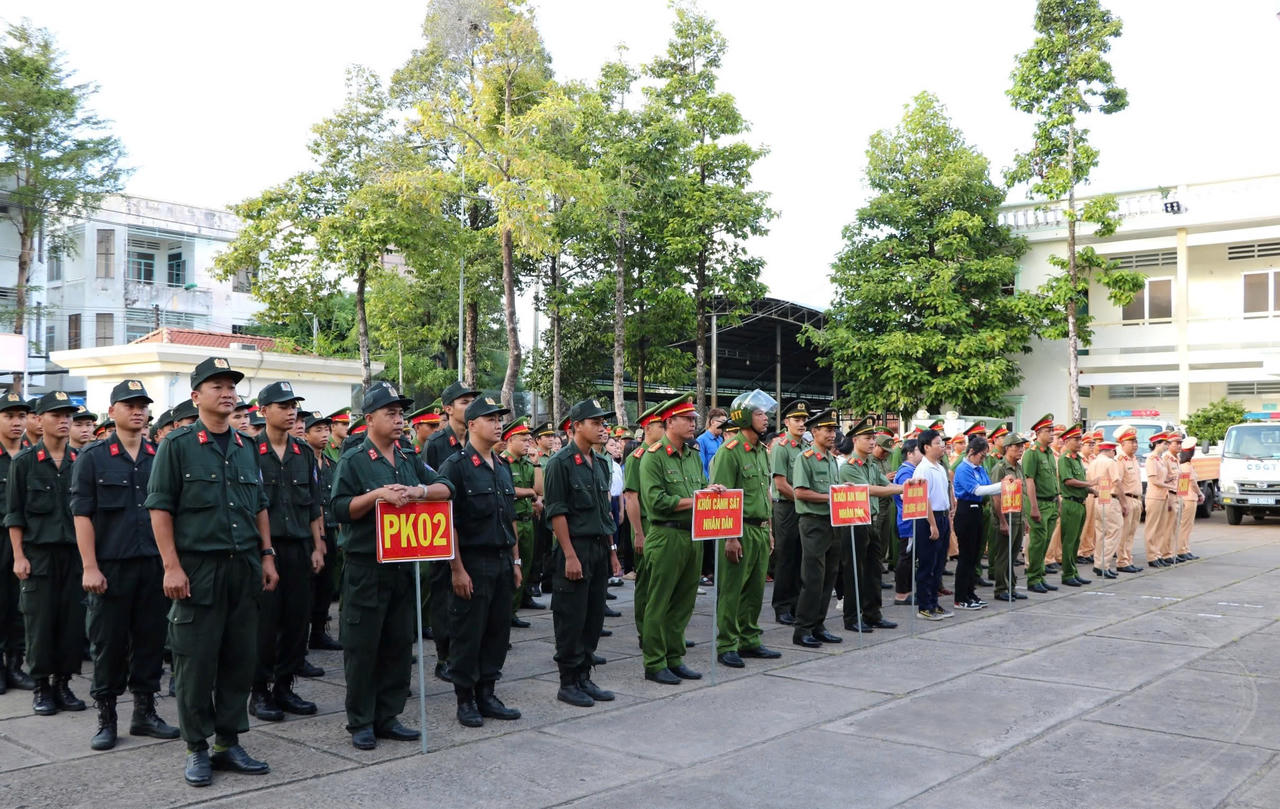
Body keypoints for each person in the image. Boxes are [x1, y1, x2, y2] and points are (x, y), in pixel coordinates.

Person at [144, 357, 278, 787]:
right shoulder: (177, 445)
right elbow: (160, 508)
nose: (227, 392)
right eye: (216, 385)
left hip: (244, 567)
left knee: (240, 659)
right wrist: (171, 567)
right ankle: (197, 747)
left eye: (231, 386)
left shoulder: (244, 445)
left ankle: (228, 741)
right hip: (197, 570)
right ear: (195, 396)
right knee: (195, 663)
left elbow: (258, 504)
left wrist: (268, 555)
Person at [331, 382, 453, 750]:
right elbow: (339, 508)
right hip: (366, 567)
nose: (399, 420)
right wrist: (376, 496)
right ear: (369, 418)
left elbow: (445, 486)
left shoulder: (408, 458)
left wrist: (419, 492)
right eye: (391, 413)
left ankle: (389, 714)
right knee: (363, 646)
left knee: (399, 644)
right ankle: (361, 721)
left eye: (401, 413)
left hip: (404, 567)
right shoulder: (354, 459)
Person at [72, 379, 179, 750]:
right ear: (113, 411)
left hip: (152, 564)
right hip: (110, 568)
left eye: (143, 405)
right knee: (108, 644)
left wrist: (171, 564)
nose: (138, 411)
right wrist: (89, 566)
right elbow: (82, 515)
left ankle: (145, 713)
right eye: (129, 405)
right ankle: (106, 717)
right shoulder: (92, 457)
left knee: (151, 640)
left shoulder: (159, 455)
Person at [439, 395, 523, 727]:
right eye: (490, 418)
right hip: (472, 562)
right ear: (472, 424)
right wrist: (456, 568)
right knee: (468, 632)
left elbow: (509, 517)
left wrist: (516, 562)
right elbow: (449, 522)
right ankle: (465, 700)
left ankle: (487, 693)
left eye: (499, 418)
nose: (498, 423)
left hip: (502, 559)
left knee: (497, 631)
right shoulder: (456, 466)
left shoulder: (502, 466)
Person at [248, 381, 325, 722]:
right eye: (283, 405)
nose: (291, 411)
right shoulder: (247, 450)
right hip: (264, 548)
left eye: (293, 404)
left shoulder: (303, 452)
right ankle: (260, 691)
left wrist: (318, 544)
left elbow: (313, 504)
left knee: (297, 621)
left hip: (298, 546)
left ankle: (285, 686)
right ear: (263, 411)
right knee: (265, 624)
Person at [6, 390, 86, 715]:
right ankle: (41, 685)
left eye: (68, 415)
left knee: (70, 621)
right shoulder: (25, 462)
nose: (64, 420)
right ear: (38, 420)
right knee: (39, 622)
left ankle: (63, 683)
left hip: (74, 556)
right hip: (38, 555)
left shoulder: (80, 461)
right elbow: (14, 514)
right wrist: (19, 556)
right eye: (56, 414)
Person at [542, 398, 620, 706]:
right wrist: (570, 555)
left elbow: (606, 513)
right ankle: (568, 682)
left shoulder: (601, 463)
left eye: (603, 423)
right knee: (571, 617)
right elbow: (557, 512)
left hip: (600, 547)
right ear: (577, 426)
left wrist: (613, 552)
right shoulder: (559, 463)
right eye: (596, 423)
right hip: (575, 548)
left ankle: (585, 677)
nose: (603, 428)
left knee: (593, 616)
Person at [637, 393, 713, 683]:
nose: (693, 423)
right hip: (665, 535)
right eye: (688, 419)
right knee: (659, 602)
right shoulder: (652, 457)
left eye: (694, 418)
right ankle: (655, 662)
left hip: (691, 537)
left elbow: (701, 489)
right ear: (670, 422)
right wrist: (695, 500)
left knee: (683, 602)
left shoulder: (693, 455)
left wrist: (710, 492)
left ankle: (674, 657)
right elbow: (655, 501)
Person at [709, 390, 782, 667]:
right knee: (731, 589)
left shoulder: (762, 451)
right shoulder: (730, 453)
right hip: (739, 531)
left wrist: (770, 530)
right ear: (743, 417)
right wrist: (730, 537)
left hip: (761, 530)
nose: (766, 419)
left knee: (754, 590)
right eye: (759, 414)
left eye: (765, 413)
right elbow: (722, 499)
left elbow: (765, 494)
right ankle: (727, 644)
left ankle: (749, 639)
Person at [422, 380, 481, 681]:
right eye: (462, 401)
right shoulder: (436, 444)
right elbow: (432, 491)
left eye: (472, 399)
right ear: (447, 409)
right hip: (444, 531)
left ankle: (465, 652)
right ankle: (443, 656)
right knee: (444, 595)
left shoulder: (477, 440)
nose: (469, 404)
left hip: (472, 530)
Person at [835, 417, 902, 632]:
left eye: (873, 438)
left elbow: (885, 483)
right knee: (854, 571)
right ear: (855, 440)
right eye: (868, 438)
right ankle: (852, 617)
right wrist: (900, 489)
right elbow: (869, 490)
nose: (873, 442)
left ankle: (873, 613)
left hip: (871, 521)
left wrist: (902, 485)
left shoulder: (871, 464)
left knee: (874, 570)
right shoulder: (849, 467)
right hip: (854, 523)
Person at [790, 408, 844, 646]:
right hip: (813, 522)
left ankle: (818, 624)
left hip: (832, 522)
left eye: (834, 430)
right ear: (815, 432)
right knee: (812, 578)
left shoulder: (832, 459)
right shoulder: (805, 458)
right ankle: (803, 629)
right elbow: (800, 492)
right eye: (828, 430)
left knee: (828, 577)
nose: (832, 434)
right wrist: (832, 497)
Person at [624, 400, 667, 643]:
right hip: (646, 526)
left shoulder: (662, 455)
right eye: (661, 425)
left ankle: (663, 630)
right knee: (647, 581)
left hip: (662, 525)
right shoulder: (637, 458)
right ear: (648, 428)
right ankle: (645, 630)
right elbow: (631, 497)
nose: (665, 429)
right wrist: (638, 533)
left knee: (664, 581)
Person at [0, 392, 34, 693]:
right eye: (9, 416)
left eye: (21, 416)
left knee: (20, 604)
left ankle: (15, 664)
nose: (16, 422)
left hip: (23, 540)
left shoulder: (31, 456)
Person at [951, 435, 1010, 610]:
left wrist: (1000, 486)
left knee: (975, 555)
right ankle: (961, 596)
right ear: (971, 452)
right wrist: (1002, 485)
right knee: (966, 557)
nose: (982, 460)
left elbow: (986, 485)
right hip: (966, 510)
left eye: (985, 456)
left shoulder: (979, 468)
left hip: (977, 511)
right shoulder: (963, 468)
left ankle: (970, 592)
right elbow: (977, 490)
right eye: (981, 456)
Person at [302, 410, 342, 651]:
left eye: (327, 429)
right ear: (305, 434)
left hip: (330, 529)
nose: (324, 434)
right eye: (318, 429)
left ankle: (319, 631)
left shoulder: (331, 464)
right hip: (310, 533)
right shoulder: (302, 460)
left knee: (327, 584)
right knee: (309, 585)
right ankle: (303, 633)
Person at [769, 400, 810, 626]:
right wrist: (803, 500)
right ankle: (782, 606)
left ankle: (796, 604)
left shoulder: (805, 447)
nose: (802, 423)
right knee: (786, 558)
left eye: (804, 420)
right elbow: (781, 483)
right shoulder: (781, 447)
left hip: (802, 507)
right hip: (786, 507)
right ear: (786, 422)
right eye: (797, 419)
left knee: (800, 556)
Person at [500, 417, 540, 626]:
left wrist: (537, 461)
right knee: (510, 568)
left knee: (524, 566)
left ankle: (514, 610)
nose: (528, 443)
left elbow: (539, 490)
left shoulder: (527, 464)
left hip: (528, 521)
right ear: (510, 439)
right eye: (523, 440)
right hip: (511, 522)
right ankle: (506, 612)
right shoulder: (502, 462)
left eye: (529, 440)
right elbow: (508, 491)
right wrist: (530, 493)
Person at [911, 428, 955, 621]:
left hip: (943, 517)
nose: (942, 446)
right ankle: (924, 606)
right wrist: (932, 524)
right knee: (927, 564)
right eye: (937, 443)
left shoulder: (939, 466)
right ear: (926, 447)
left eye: (942, 443)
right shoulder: (923, 468)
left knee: (938, 564)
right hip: (929, 518)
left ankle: (934, 603)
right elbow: (924, 499)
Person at [1022, 414, 1060, 594]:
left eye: (1052, 430)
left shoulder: (1051, 453)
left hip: (1051, 503)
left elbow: (1053, 479)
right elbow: (1029, 481)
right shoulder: (1032, 453)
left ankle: (1040, 574)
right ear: (1038, 433)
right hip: (1039, 504)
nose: (1052, 434)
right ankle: (1033, 578)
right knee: (1037, 543)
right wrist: (1034, 507)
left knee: (1045, 542)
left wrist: (1058, 501)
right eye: (1048, 431)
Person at [991, 434, 1030, 601]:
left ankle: (1011, 587)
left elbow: (1022, 493)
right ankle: (1001, 589)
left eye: (1022, 446)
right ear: (1007, 448)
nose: (1020, 449)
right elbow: (996, 497)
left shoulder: (1019, 467)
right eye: (1016, 446)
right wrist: (1002, 521)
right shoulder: (1000, 468)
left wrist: (1025, 518)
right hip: (1006, 518)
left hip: (1018, 517)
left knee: (1013, 556)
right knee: (1003, 556)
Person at [1055, 423, 1095, 587]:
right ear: (1067, 441)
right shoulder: (1065, 459)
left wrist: (1092, 490)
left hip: (1080, 502)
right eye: (1077, 439)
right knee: (1069, 541)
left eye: (1080, 439)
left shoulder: (1077, 459)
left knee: (1076, 541)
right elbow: (1068, 480)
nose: (1080, 442)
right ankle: (1067, 574)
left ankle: (1073, 571)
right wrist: (1089, 484)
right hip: (1070, 503)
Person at [1087, 438, 1125, 579]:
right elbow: (1117, 482)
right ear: (1110, 450)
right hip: (1110, 498)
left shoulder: (1093, 462)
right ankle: (1104, 565)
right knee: (1114, 531)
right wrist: (1124, 502)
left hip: (1098, 498)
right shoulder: (1110, 462)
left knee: (1101, 533)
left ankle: (1098, 564)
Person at [891, 439, 921, 607]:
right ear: (909, 453)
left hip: (913, 519)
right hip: (908, 521)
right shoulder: (905, 472)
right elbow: (904, 495)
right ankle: (902, 594)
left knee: (910, 558)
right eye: (919, 450)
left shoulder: (913, 470)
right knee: (906, 558)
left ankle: (907, 591)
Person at [1111, 425, 1145, 573]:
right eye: (1131, 441)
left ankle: (1127, 559)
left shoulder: (1133, 459)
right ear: (1122, 444)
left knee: (1131, 533)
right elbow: (1117, 483)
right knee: (1124, 533)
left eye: (1136, 441)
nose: (1135, 445)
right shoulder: (1120, 460)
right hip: (1127, 500)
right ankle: (1122, 561)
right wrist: (1123, 503)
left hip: (1136, 500)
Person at [1144, 433, 1175, 568]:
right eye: (1165, 444)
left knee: (1161, 528)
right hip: (1154, 496)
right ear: (1157, 444)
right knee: (1152, 528)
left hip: (1163, 496)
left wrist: (1170, 480)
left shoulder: (1161, 459)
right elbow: (1154, 480)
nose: (1167, 446)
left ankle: (1157, 554)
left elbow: (1162, 478)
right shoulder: (1151, 459)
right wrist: (1169, 485)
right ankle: (1151, 556)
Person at [1175, 435, 1203, 562]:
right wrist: (1200, 494)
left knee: (1185, 525)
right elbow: (1191, 483)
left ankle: (1185, 549)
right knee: (1186, 525)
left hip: (1185, 497)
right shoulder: (1186, 466)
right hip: (1189, 498)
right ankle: (1182, 550)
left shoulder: (1183, 464)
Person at [696, 408, 728, 477]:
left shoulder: (721, 440)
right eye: (722, 422)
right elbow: (701, 467)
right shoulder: (701, 440)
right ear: (712, 422)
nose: (724, 426)